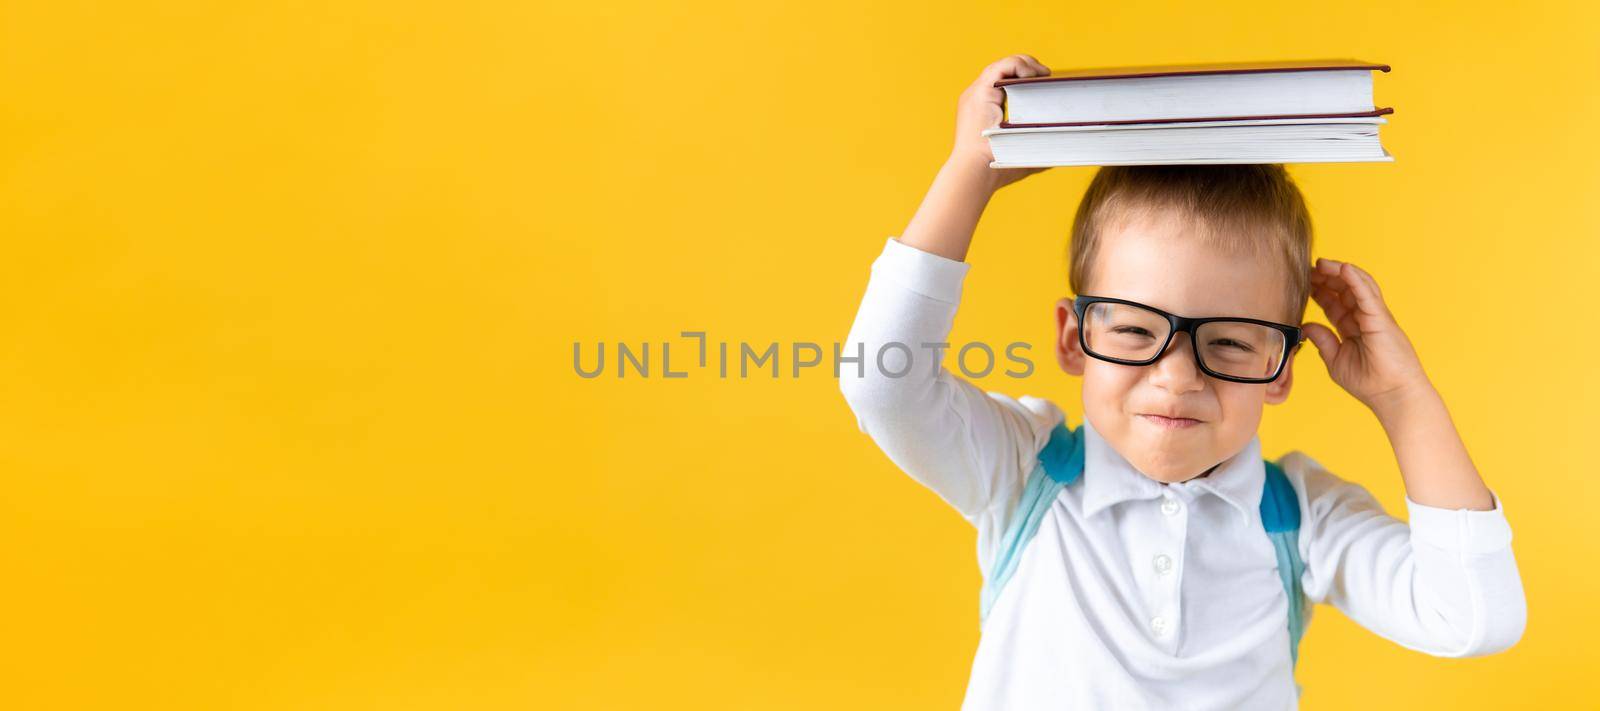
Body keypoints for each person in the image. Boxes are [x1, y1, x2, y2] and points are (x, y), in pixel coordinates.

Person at [838, 54, 1526, 710]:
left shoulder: (1299, 518)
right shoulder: (1024, 475)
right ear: (1074, 338)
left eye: (1226, 342)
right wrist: (970, 172)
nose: (1176, 376)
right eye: (1136, 331)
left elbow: (1472, 617)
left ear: (1280, 368)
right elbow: (881, 384)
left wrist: (1405, 401)